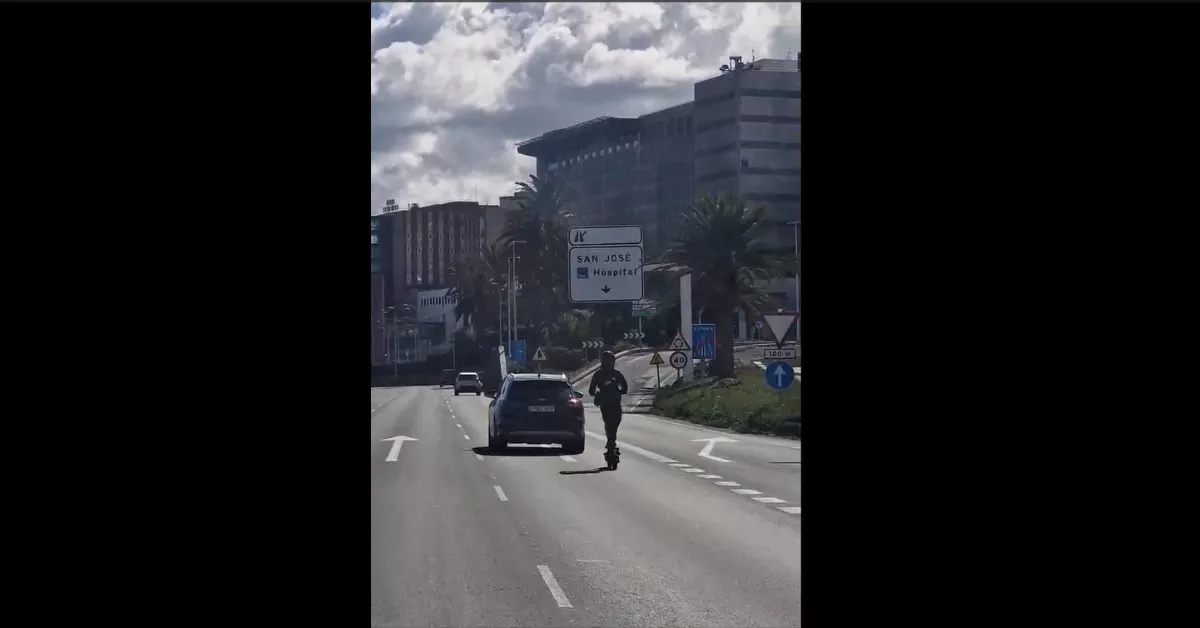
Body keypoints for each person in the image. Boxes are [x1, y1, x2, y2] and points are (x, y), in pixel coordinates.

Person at [588, 350, 629, 453]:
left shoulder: (599, 374)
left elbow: (591, 390)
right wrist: (619, 391)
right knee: (613, 422)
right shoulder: (614, 374)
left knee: (609, 422)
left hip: (608, 403)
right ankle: (611, 439)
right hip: (611, 403)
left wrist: (597, 394)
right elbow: (624, 388)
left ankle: (611, 439)